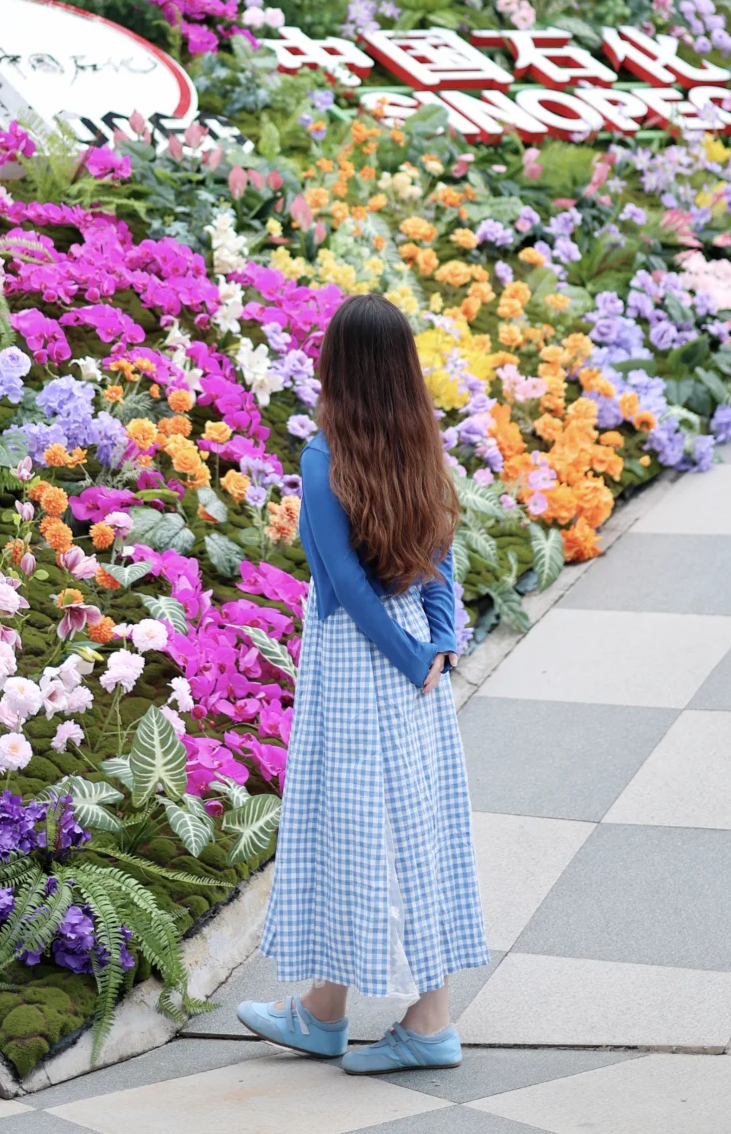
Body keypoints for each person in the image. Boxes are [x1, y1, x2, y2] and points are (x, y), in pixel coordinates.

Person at [238, 293, 487, 1075]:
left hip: (357, 662)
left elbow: (342, 586)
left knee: (352, 830)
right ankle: (328, 1009)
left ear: (336, 367)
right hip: (415, 657)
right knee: (413, 826)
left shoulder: (323, 458)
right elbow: (440, 556)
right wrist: (439, 641)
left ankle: (425, 1022)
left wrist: (417, 655)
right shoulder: (422, 446)